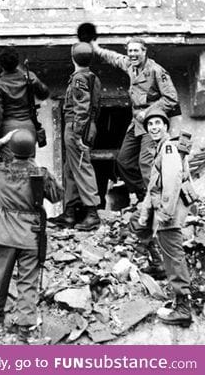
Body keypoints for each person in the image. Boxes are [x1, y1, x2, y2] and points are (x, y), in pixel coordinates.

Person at [0, 129, 62, 344]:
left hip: (5, 234)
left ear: (12, 149)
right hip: (31, 235)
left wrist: (2, 141)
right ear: (32, 150)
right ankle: (23, 335)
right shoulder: (40, 173)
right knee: (27, 285)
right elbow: (57, 196)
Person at [91, 37, 179, 201]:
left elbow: (171, 98)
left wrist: (149, 113)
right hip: (136, 122)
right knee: (123, 161)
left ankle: (155, 201)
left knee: (145, 163)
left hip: (151, 123)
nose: (132, 54)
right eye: (130, 51)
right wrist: (96, 48)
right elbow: (114, 58)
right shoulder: (130, 65)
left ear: (144, 51)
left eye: (136, 51)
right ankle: (143, 195)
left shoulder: (157, 71)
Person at [131, 107, 195, 326]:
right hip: (165, 211)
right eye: (150, 124)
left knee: (174, 257)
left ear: (166, 126)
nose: (154, 127)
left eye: (158, 123)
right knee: (170, 254)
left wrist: (165, 213)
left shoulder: (167, 147)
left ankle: (183, 309)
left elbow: (172, 180)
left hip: (169, 212)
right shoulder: (161, 148)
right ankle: (178, 300)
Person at [49, 42, 101, 231]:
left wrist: (79, 134)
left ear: (73, 58)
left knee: (81, 166)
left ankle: (92, 214)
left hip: (76, 126)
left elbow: (82, 107)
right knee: (71, 168)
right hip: (86, 125)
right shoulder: (91, 76)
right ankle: (70, 213)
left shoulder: (79, 78)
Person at [0, 46, 49, 151]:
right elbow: (44, 94)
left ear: (1, 64)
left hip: (7, 130)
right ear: (17, 62)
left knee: (9, 166)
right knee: (28, 164)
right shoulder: (29, 76)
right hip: (29, 127)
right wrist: (36, 83)